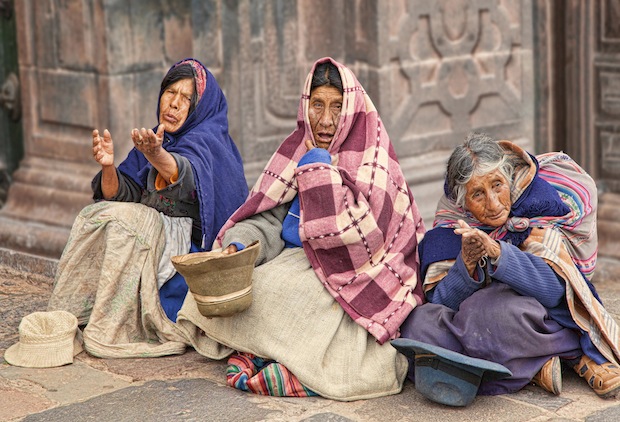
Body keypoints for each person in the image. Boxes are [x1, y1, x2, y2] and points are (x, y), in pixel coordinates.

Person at [174, 57, 426, 401]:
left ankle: (288, 361)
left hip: (355, 272)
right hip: (296, 258)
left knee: (292, 296)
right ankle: (274, 353)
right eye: (317, 105)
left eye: (337, 107)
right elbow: (268, 218)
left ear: (352, 109)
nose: (325, 120)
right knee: (256, 287)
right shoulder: (295, 150)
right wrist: (236, 245)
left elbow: (361, 242)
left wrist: (319, 171)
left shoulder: (374, 159)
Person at [47, 58, 248, 358]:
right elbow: (123, 192)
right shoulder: (155, 137)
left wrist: (157, 155)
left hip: (186, 266)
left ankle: (114, 319)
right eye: (170, 92)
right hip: (152, 247)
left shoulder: (208, 143)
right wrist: (108, 168)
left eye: (186, 99)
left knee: (127, 222)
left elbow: (184, 175)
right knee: (95, 215)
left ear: (200, 108)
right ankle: (75, 310)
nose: (174, 104)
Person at [398, 132, 620, 399]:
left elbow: (554, 291)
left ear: (510, 181)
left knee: (492, 314)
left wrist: (498, 253)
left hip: (530, 313)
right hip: (476, 320)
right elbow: (440, 302)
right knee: (417, 325)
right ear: (463, 203)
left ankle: (566, 354)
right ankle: (535, 364)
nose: (492, 204)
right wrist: (466, 264)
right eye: (478, 194)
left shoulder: (540, 207)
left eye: (497, 186)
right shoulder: (452, 226)